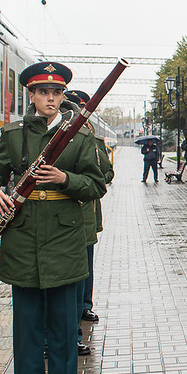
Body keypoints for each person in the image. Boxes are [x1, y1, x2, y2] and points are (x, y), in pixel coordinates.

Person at [0, 62, 105, 374]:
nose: (51, 98)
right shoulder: (15, 134)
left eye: (57, 93)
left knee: (64, 324)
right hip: (24, 236)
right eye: (44, 92)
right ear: (31, 96)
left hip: (64, 236)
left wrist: (66, 178)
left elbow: (96, 185)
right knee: (28, 324)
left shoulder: (79, 136)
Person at [63, 90, 114, 352]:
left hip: (84, 212)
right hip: (60, 215)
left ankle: (85, 306)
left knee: (84, 267)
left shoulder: (91, 138)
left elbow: (105, 171)